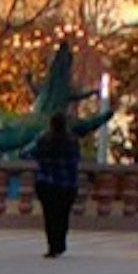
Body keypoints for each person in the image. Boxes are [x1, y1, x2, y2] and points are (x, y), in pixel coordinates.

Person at [31, 107, 82, 258]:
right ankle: (60, 242)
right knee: (63, 215)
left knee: (50, 215)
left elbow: (31, 154)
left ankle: (52, 244)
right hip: (67, 184)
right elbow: (75, 161)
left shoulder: (43, 140)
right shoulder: (72, 142)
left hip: (47, 182)